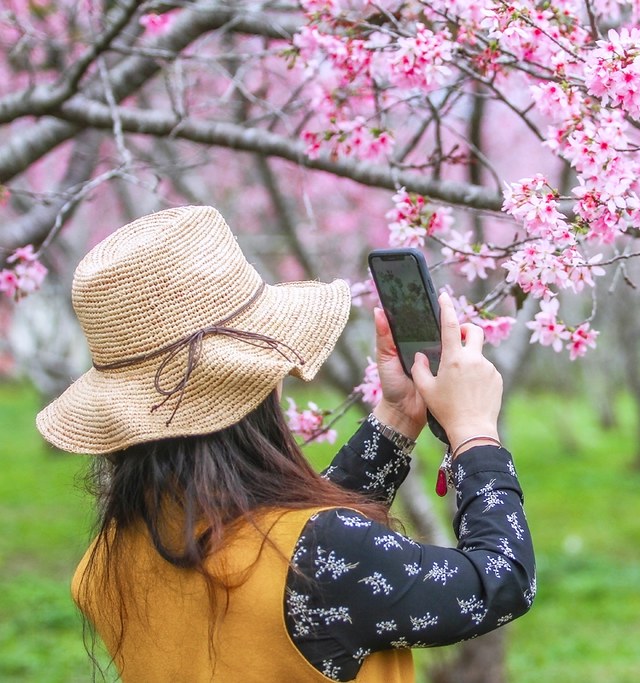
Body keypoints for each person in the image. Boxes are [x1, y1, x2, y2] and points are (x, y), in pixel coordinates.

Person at [35, 206, 536, 682]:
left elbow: (288, 540)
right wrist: (475, 434)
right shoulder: (316, 559)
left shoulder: (106, 562)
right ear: (254, 377)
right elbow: (500, 581)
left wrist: (398, 417)